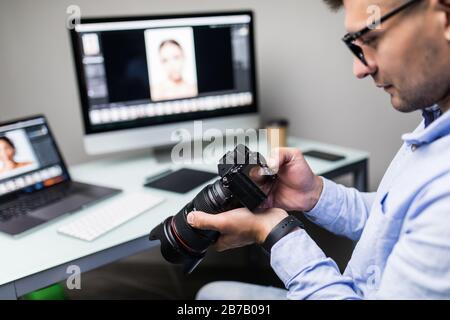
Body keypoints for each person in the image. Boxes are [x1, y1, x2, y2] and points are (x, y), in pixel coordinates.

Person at [190, 0, 450, 299]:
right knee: (212, 294)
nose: (360, 68)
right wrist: (314, 194)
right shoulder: (437, 118)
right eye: (356, 44)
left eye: (373, 38)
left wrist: (276, 234)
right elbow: (391, 222)